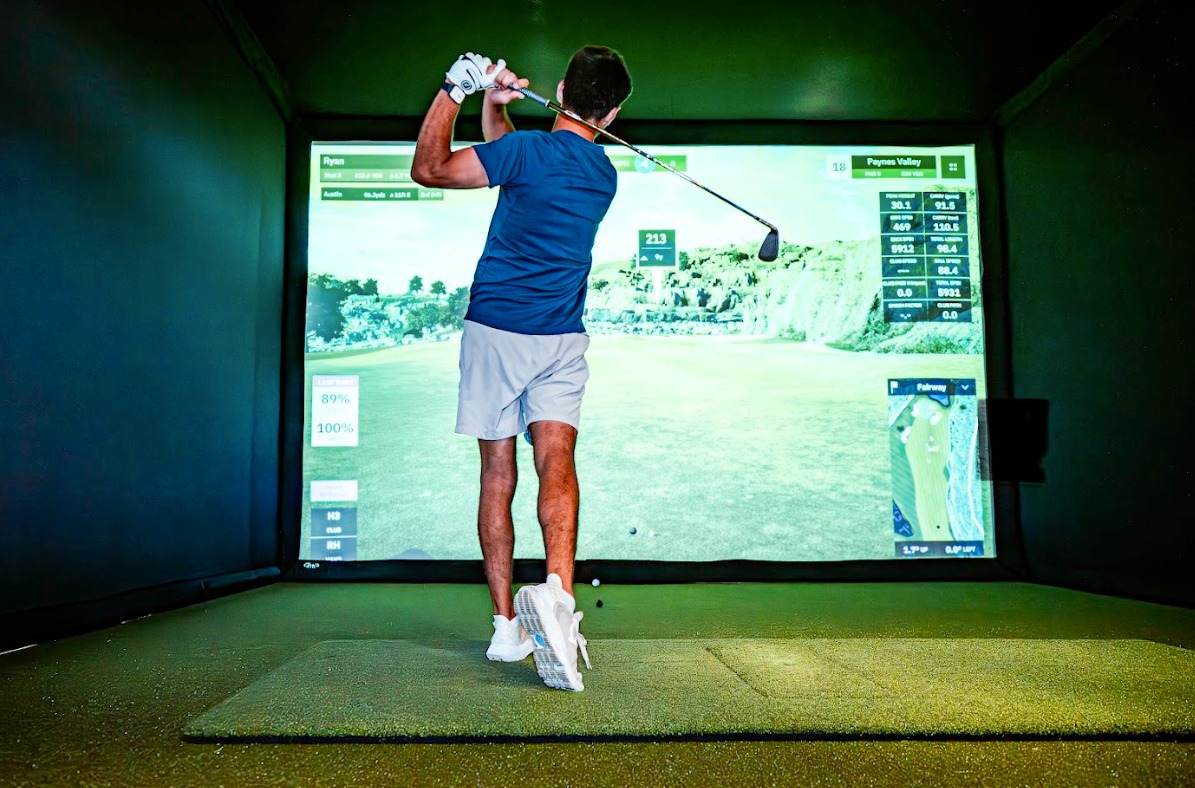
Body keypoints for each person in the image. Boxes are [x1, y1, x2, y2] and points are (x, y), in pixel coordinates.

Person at [410, 46, 632, 692]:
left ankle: (507, 626)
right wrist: (494, 107)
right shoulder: (601, 173)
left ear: (560, 88)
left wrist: (457, 88)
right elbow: (513, 162)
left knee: (497, 473)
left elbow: (430, 169)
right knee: (557, 462)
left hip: (495, 334)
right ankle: (558, 602)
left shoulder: (526, 154)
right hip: (560, 340)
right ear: (612, 111)